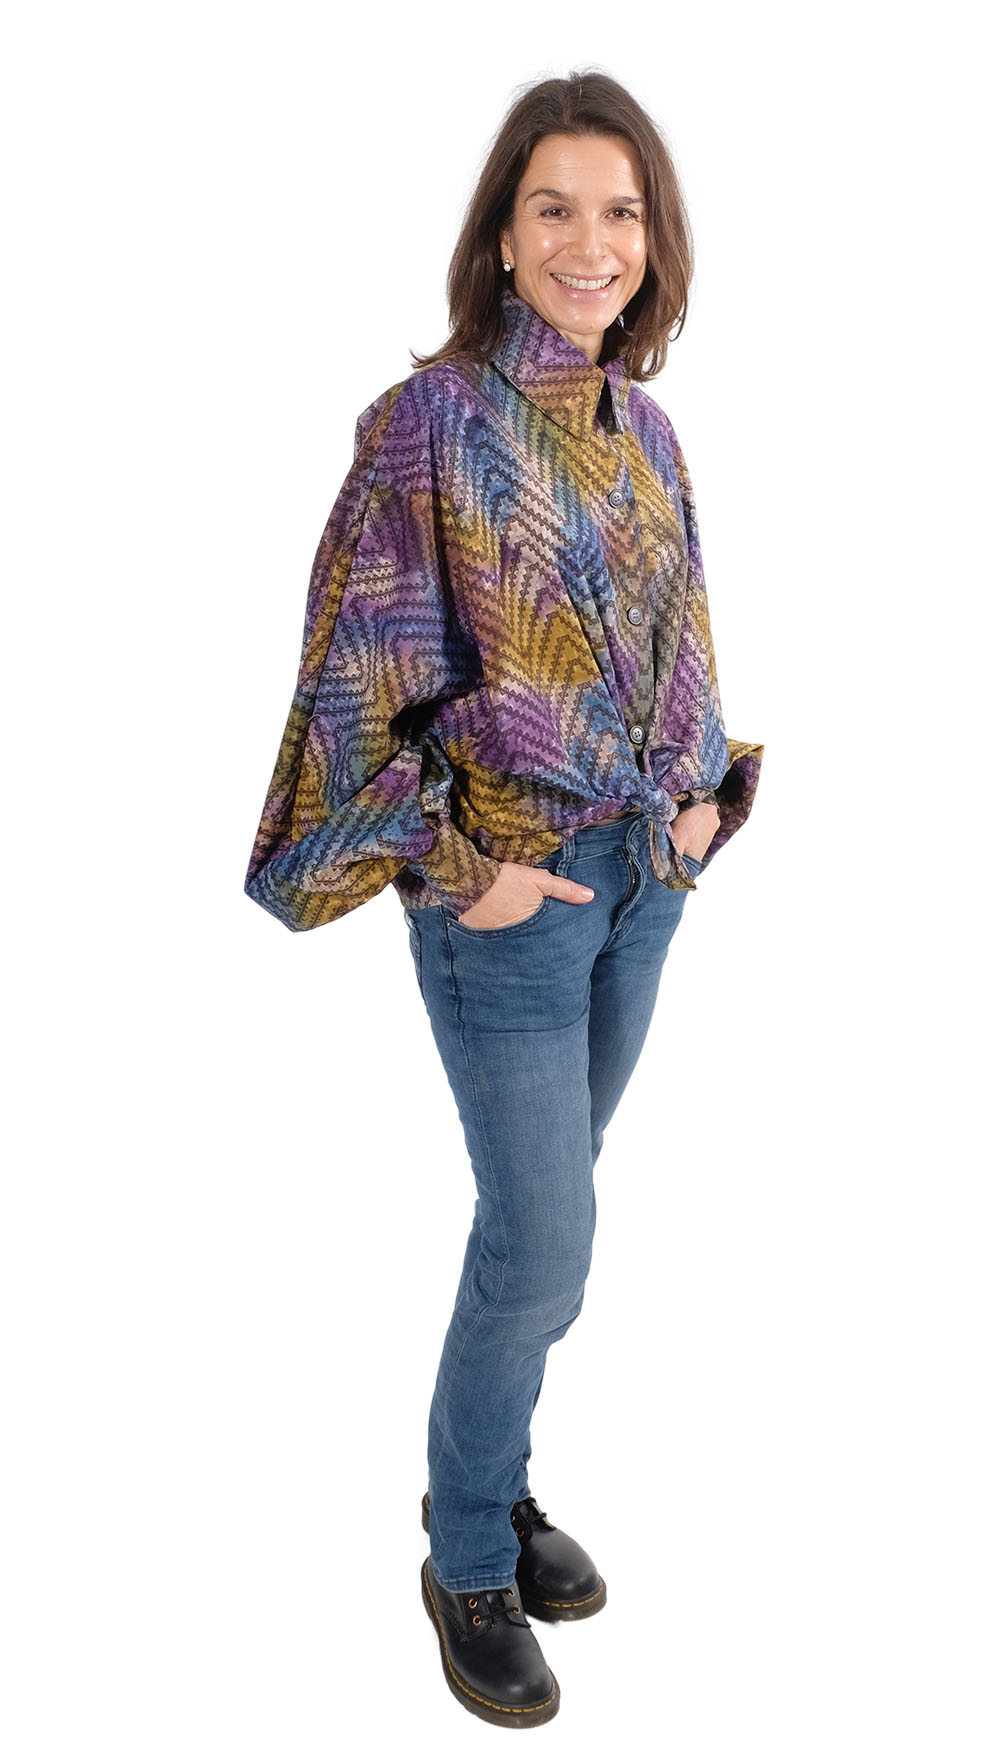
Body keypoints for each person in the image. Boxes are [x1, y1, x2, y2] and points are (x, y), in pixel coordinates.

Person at [244, 68, 764, 1728]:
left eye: (621, 212)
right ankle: (466, 1550)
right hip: (512, 906)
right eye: (554, 208)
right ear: (502, 233)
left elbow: (682, 636)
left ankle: (495, 1478)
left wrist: (700, 809)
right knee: (546, 1246)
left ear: (653, 242)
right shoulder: (430, 427)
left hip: (643, 885)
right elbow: (350, 689)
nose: (589, 243)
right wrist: (463, 876)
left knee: (541, 1228)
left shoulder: (649, 432)